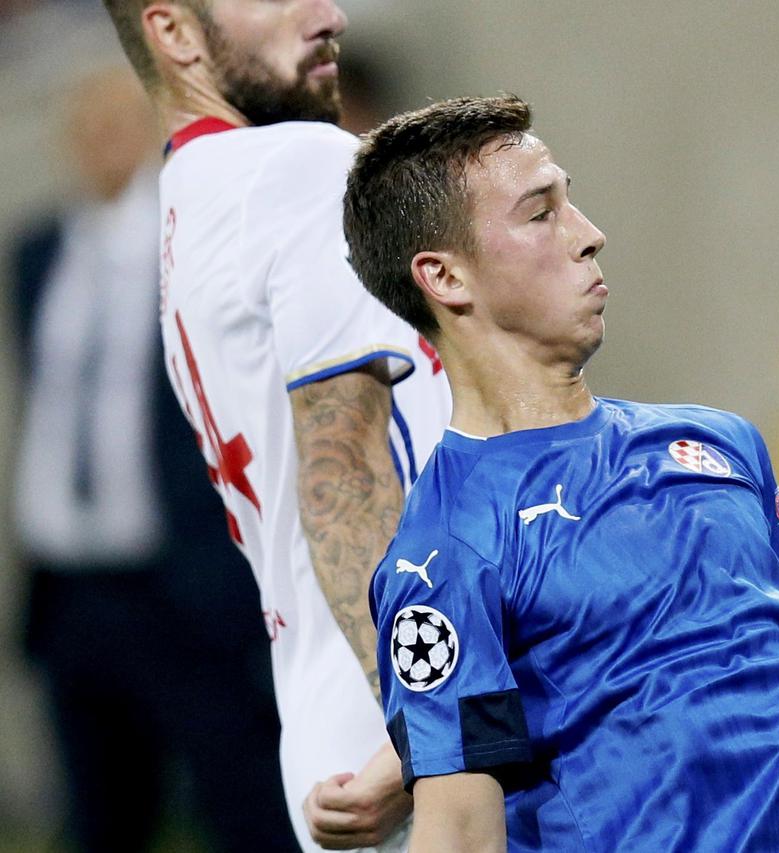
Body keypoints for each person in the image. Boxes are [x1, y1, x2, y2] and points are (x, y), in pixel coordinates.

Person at [343, 94, 779, 852]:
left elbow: (757, 698)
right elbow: (461, 833)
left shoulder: (724, 446)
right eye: (541, 214)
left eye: (572, 203)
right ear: (444, 277)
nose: (590, 235)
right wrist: (419, 746)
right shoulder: (447, 550)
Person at [98, 0, 451, 848]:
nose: (328, 14)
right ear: (173, 32)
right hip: (410, 733)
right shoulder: (297, 166)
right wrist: (429, 730)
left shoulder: (191, 194)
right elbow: (346, 476)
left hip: (332, 716)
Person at [12, 65, 297, 853]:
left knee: (241, 801)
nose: (103, 145)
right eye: (87, 127)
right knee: (98, 813)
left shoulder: (195, 247)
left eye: (119, 126)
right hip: (70, 590)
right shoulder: (39, 254)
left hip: (178, 584)